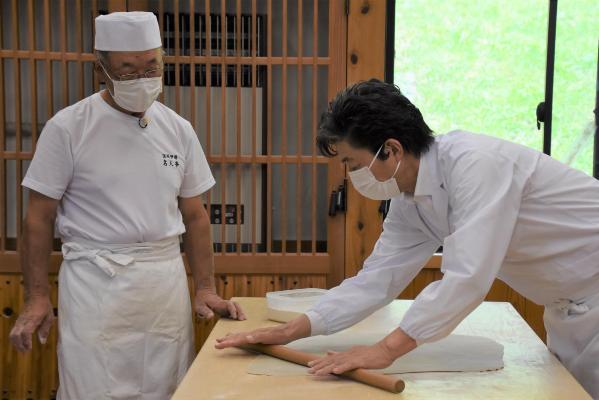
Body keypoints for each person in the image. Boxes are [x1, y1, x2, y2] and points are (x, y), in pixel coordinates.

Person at [215, 79, 599, 398]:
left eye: (351, 162)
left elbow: (467, 279)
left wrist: (386, 350)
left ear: (392, 148)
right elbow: (377, 280)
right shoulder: (410, 202)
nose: (349, 174)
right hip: (570, 307)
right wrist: (294, 329)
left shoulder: (476, 165)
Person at [9, 11, 245, 399]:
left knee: (167, 386)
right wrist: (36, 297)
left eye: (152, 66)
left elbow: (196, 216)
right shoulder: (69, 127)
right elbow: (38, 218)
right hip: (95, 283)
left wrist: (204, 288)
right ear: (101, 68)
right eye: (128, 70)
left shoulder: (178, 129)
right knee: (93, 386)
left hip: (162, 283)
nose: (143, 78)